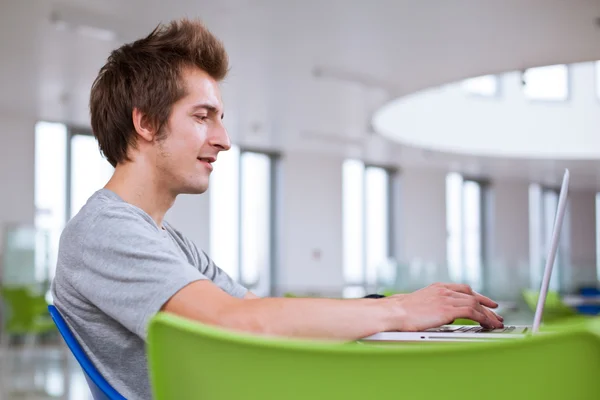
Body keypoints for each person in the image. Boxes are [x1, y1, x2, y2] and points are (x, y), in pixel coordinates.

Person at [51, 18, 503, 400]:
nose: (224, 139)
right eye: (202, 116)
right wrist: (400, 313)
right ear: (145, 122)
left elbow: (255, 307)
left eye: (220, 118)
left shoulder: (166, 240)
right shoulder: (103, 231)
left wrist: (394, 305)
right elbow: (239, 323)